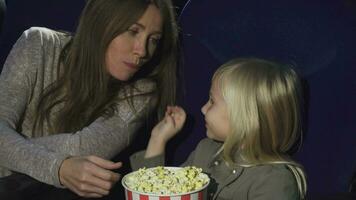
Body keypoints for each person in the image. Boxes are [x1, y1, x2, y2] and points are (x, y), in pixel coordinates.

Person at [0, 0, 179, 198]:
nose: (142, 51)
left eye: (153, 39)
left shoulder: (142, 91)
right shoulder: (38, 43)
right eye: (133, 31)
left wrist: (8, 146)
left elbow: (83, 147)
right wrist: (59, 168)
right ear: (101, 21)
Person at [130, 58, 307, 199]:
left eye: (212, 101)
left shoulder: (274, 181)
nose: (203, 108)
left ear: (245, 117)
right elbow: (156, 192)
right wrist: (157, 139)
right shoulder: (205, 151)